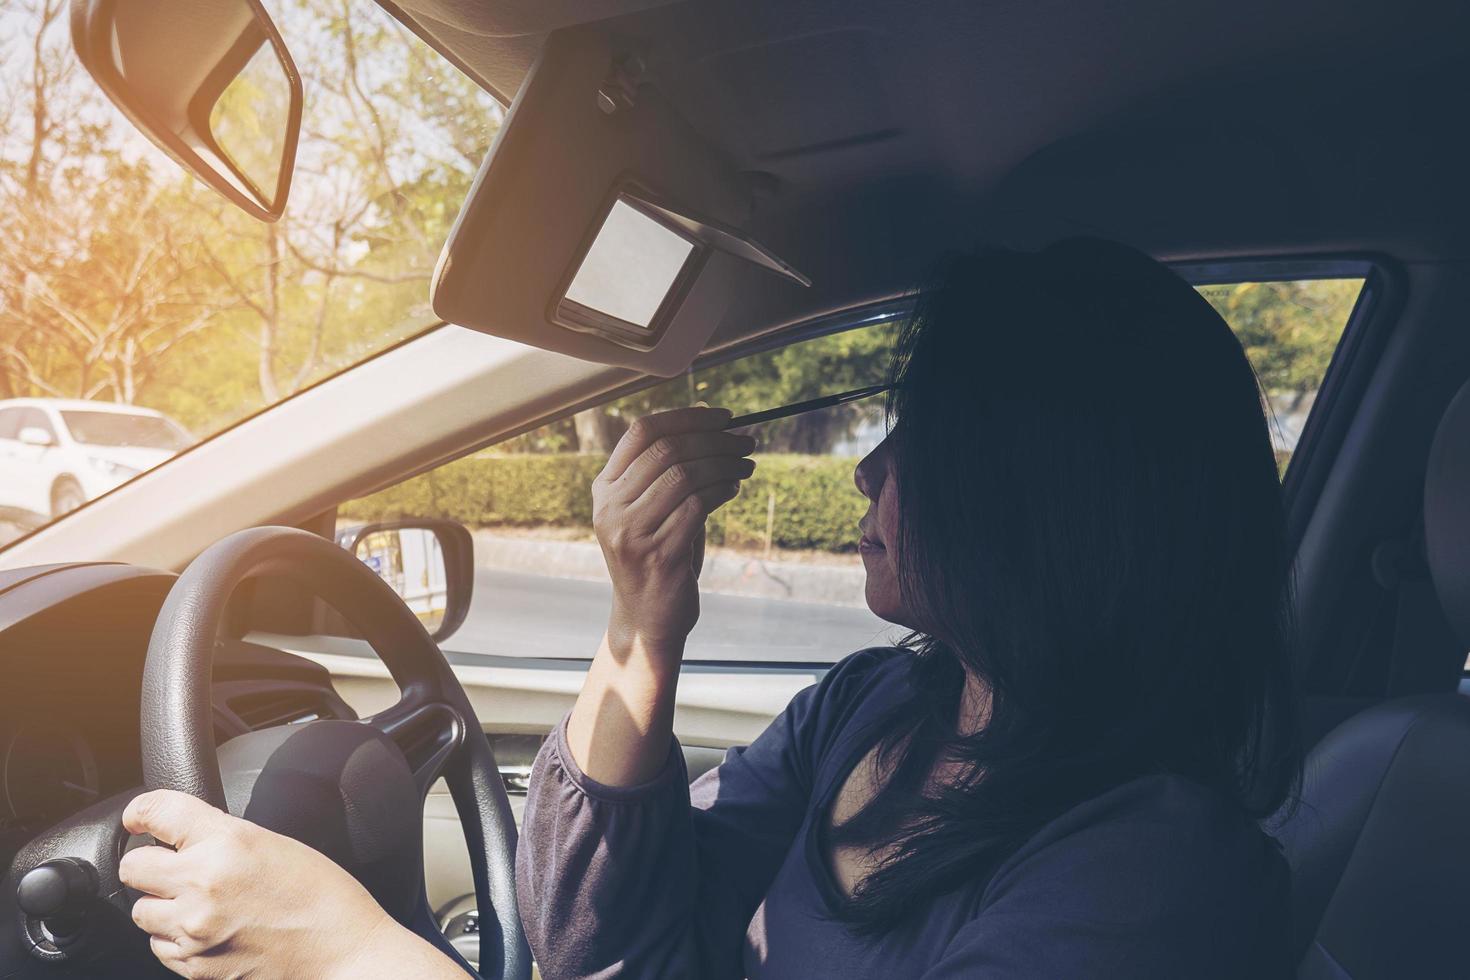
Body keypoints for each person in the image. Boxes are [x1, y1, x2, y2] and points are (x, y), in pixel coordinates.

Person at [121, 238, 1300, 979]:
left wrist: (355, 954)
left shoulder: (1153, 878)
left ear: (1050, 496)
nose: (868, 469)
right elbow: (603, 943)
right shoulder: (883, 702)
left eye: (924, 433)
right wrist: (644, 621)